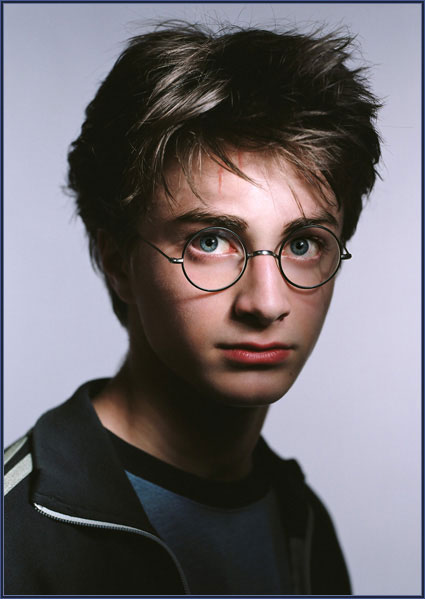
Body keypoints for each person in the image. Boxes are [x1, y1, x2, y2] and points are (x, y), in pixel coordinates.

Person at [4, 22, 381, 595]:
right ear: (117, 261)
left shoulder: (300, 520)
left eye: (303, 244)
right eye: (210, 240)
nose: (267, 302)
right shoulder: (13, 532)